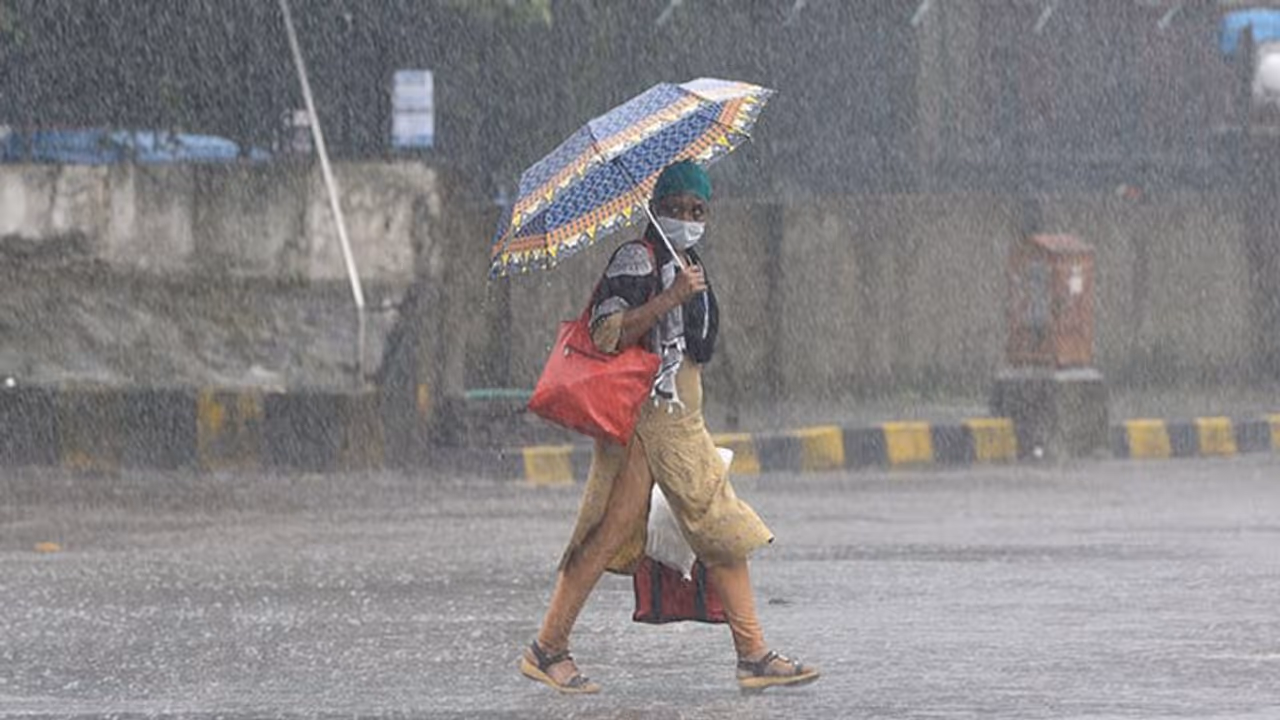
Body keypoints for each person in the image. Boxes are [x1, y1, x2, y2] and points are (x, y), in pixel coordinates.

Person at [519, 160, 820, 694]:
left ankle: (751, 653)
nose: (686, 218)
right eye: (675, 209)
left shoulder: (687, 258)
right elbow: (607, 331)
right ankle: (548, 649)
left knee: (708, 524)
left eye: (696, 210)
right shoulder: (639, 257)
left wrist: (683, 289)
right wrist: (668, 298)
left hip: (678, 422)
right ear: (655, 209)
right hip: (645, 421)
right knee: (622, 530)